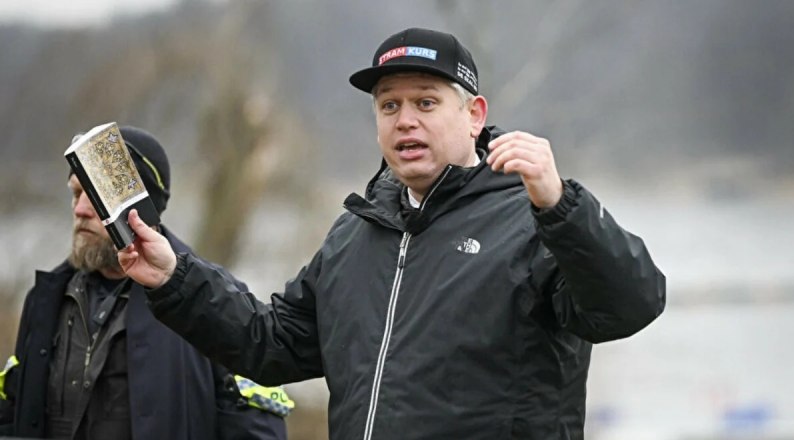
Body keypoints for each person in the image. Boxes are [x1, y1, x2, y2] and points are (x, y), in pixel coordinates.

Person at [117, 28, 666, 439]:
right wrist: (175, 276)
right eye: (389, 106)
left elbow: (630, 306)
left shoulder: (535, 218)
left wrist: (561, 204)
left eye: (426, 102)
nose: (405, 120)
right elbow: (270, 343)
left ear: (474, 115)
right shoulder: (355, 232)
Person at [0, 126, 291, 439]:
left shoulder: (209, 302)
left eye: (95, 197)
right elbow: (13, 414)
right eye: (75, 194)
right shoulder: (44, 299)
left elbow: (257, 431)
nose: (80, 210)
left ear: (138, 210)